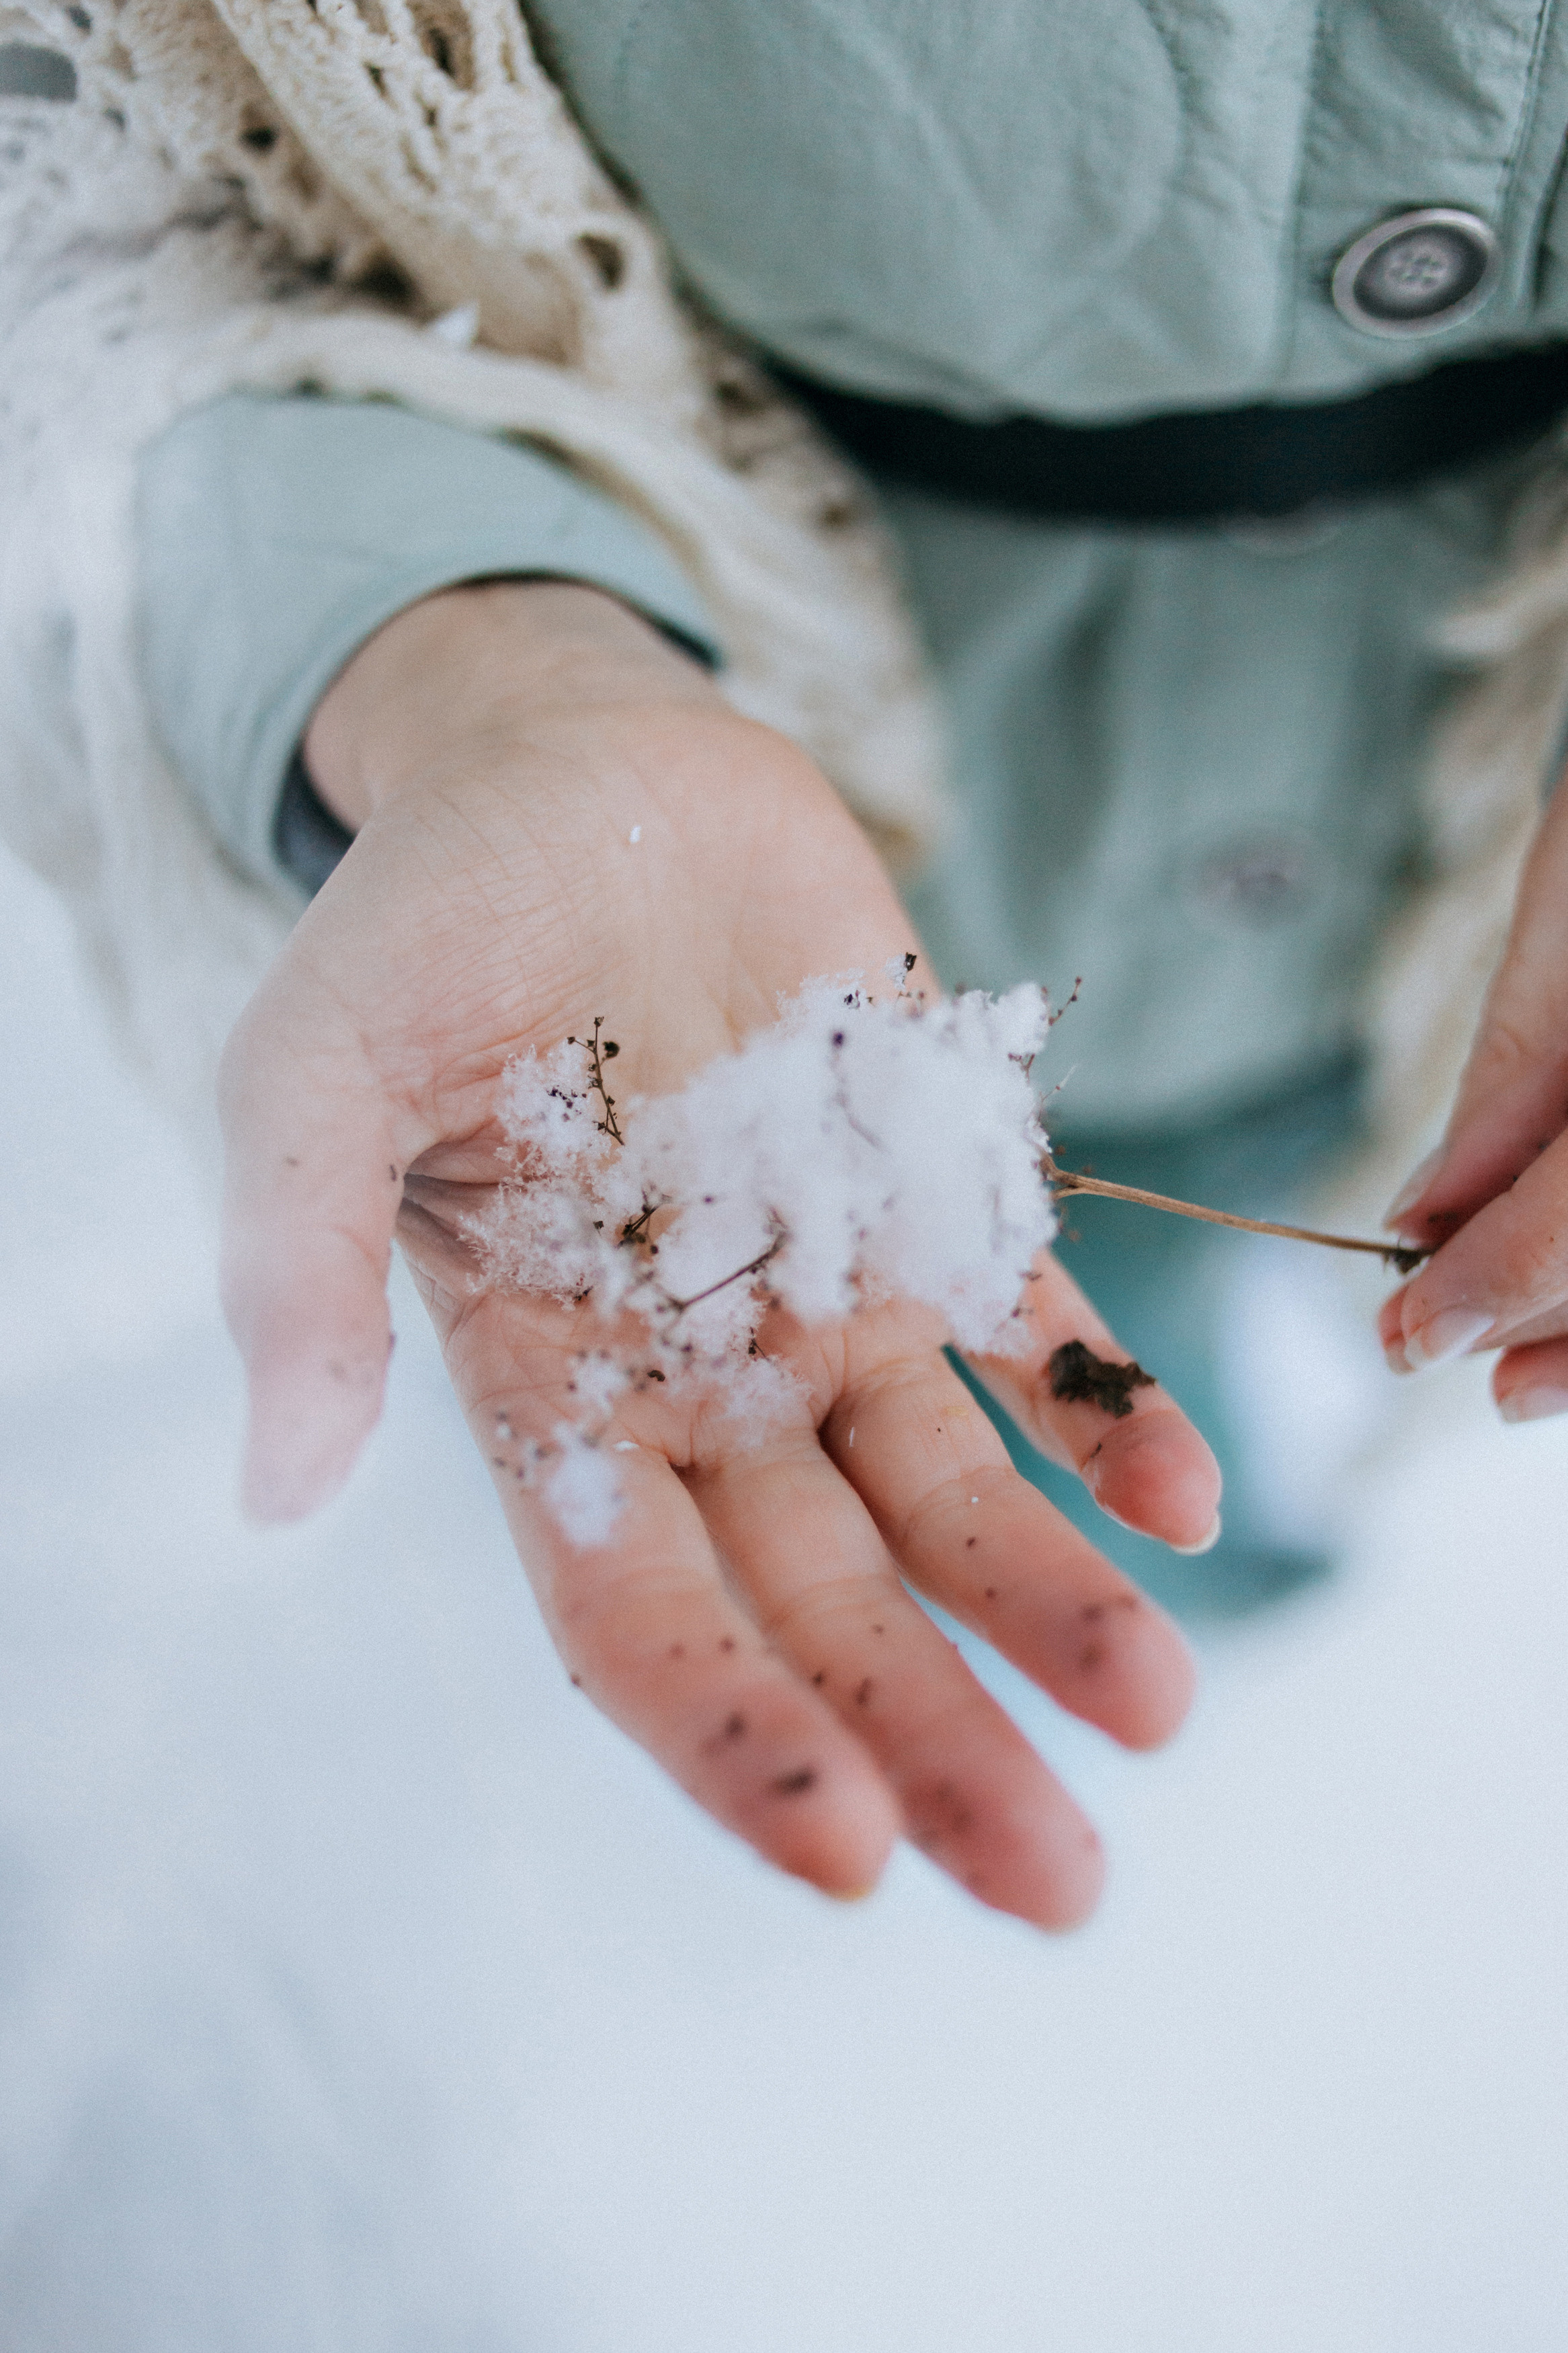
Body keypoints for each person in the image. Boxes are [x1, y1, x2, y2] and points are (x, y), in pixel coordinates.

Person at [5, 0, 1568, 1931]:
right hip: (766, 882)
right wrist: (470, 656)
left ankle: (1171, 1470)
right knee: (938, 1359)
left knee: (1168, 1287)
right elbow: (83, 184)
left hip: (1428, 903)